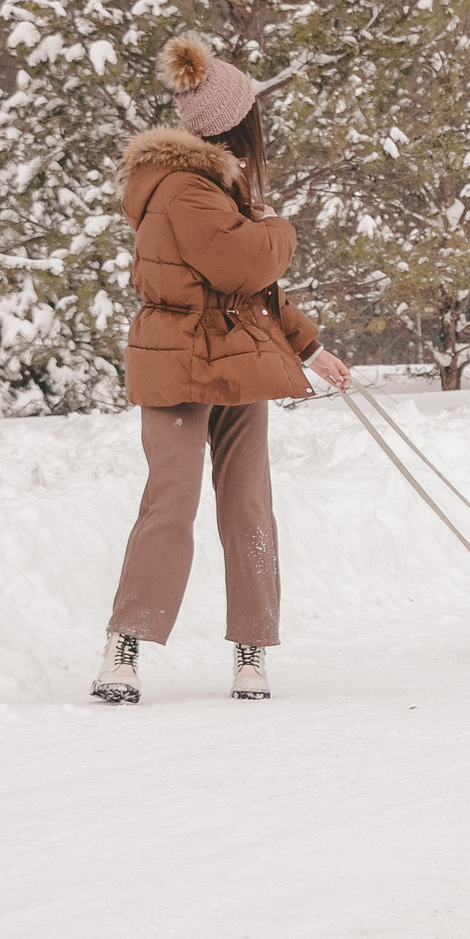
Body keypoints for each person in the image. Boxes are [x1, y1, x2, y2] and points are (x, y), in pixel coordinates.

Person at [91, 35, 352, 706]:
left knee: (247, 505)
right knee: (171, 501)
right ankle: (126, 641)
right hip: (179, 361)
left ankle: (251, 649)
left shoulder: (217, 188)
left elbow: (249, 293)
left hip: (235, 357)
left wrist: (308, 347)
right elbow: (251, 263)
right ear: (237, 122)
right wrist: (278, 228)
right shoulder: (184, 189)